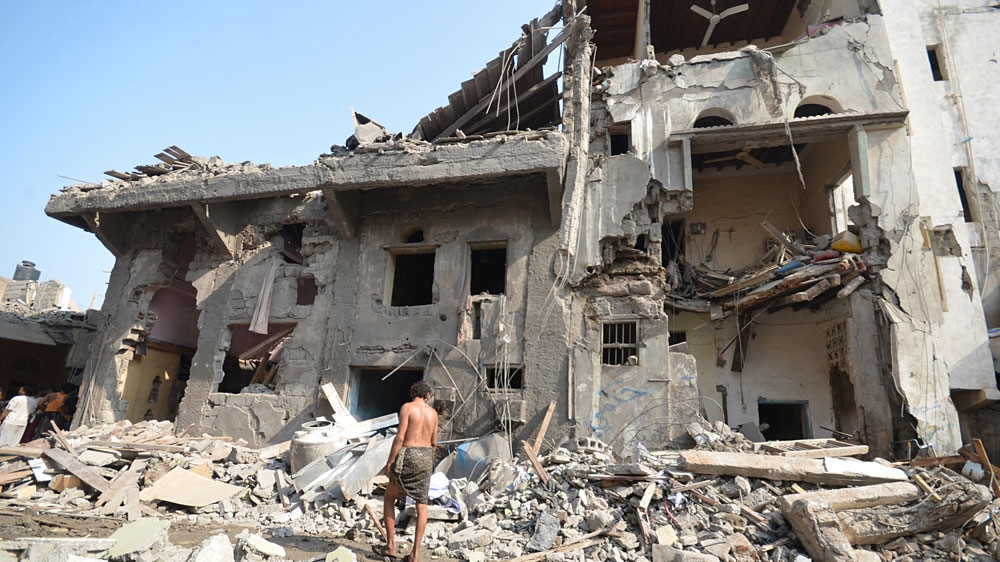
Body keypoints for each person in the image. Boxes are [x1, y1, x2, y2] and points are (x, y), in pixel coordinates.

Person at [380, 381, 438, 562]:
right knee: (422, 505)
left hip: (408, 454)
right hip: (426, 456)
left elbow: (399, 438)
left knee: (389, 497)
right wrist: (427, 460)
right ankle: (415, 554)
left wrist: (390, 462)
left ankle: (390, 546)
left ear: (413, 394)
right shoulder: (433, 413)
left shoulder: (407, 408)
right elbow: (434, 442)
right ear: (427, 395)